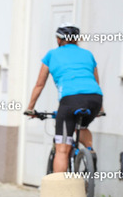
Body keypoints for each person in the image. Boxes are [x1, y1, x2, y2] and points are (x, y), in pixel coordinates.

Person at [25, 23, 104, 172]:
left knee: (62, 150)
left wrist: (30, 108)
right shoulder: (88, 54)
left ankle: (59, 186)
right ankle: (90, 151)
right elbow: (95, 82)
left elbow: (39, 84)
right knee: (82, 126)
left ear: (59, 39)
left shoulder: (51, 55)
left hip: (70, 100)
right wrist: (100, 108)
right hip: (95, 98)